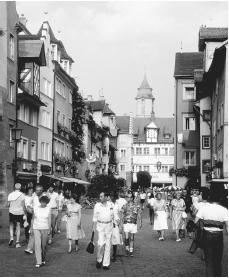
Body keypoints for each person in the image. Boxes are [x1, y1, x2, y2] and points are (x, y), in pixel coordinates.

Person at [195, 188, 228, 276]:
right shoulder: (224, 210)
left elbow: (196, 220)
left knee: (209, 260)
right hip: (218, 235)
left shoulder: (204, 208)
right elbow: (228, 226)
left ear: (210, 198)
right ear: (220, 199)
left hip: (207, 234)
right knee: (217, 259)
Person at [92, 191, 118, 270]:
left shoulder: (111, 205)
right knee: (100, 244)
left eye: (101, 196)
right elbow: (94, 217)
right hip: (100, 226)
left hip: (109, 226)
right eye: (100, 196)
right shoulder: (97, 205)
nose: (100, 198)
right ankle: (99, 260)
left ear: (106, 197)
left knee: (108, 245)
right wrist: (93, 227)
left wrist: (118, 222)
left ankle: (106, 264)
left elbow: (115, 215)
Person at [189, 187, 210, 256]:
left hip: (200, 222)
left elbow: (194, 214)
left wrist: (193, 210)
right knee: (203, 237)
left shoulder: (198, 205)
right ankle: (195, 250)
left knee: (199, 237)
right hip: (208, 222)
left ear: (201, 195)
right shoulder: (210, 205)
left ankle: (201, 253)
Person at [24, 185, 44, 254]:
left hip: (42, 219)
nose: (39, 191)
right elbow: (28, 205)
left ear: (42, 190)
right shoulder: (34, 197)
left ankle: (38, 248)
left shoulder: (45, 198)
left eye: (40, 190)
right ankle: (29, 248)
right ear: (35, 191)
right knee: (32, 233)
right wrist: (30, 209)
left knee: (40, 234)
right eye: (37, 190)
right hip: (34, 218)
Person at [33, 195, 51, 268]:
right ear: (40, 201)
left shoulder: (48, 209)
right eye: (43, 202)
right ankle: (38, 261)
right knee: (37, 245)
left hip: (45, 228)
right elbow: (33, 218)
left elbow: (49, 219)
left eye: (45, 203)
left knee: (43, 245)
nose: (44, 204)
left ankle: (43, 258)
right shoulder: (36, 208)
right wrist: (31, 228)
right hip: (36, 227)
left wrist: (49, 229)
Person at [8, 183, 27, 248]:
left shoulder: (10, 194)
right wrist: (25, 213)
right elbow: (23, 206)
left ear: (14, 187)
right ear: (20, 188)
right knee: (18, 226)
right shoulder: (22, 195)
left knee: (11, 225)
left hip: (12, 212)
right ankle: (17, 242)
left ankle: (11, 238)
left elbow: (8, 204)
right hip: (19, 212)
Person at [122, 192, 141, 257]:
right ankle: (127, 249)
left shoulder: (136, 205)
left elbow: (139, 214)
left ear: (132, 198)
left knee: (132, 238)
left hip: (133, 223)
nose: (128, 198)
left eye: (130, 197)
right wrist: (120, 224)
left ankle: (131, 250)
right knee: (127, 237)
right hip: (126, 223)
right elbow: (122, 214)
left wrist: (140, 223)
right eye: (127, 197)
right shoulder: (124, 205)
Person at [111, 193, 123, 262]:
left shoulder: (116, 206)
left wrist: (119, 224)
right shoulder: (110, 205)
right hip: (110, 225)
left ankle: (114, 255)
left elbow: (120, 215)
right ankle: (112, 254)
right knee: (111, 241)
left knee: (114, 241)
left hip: (115, 225)